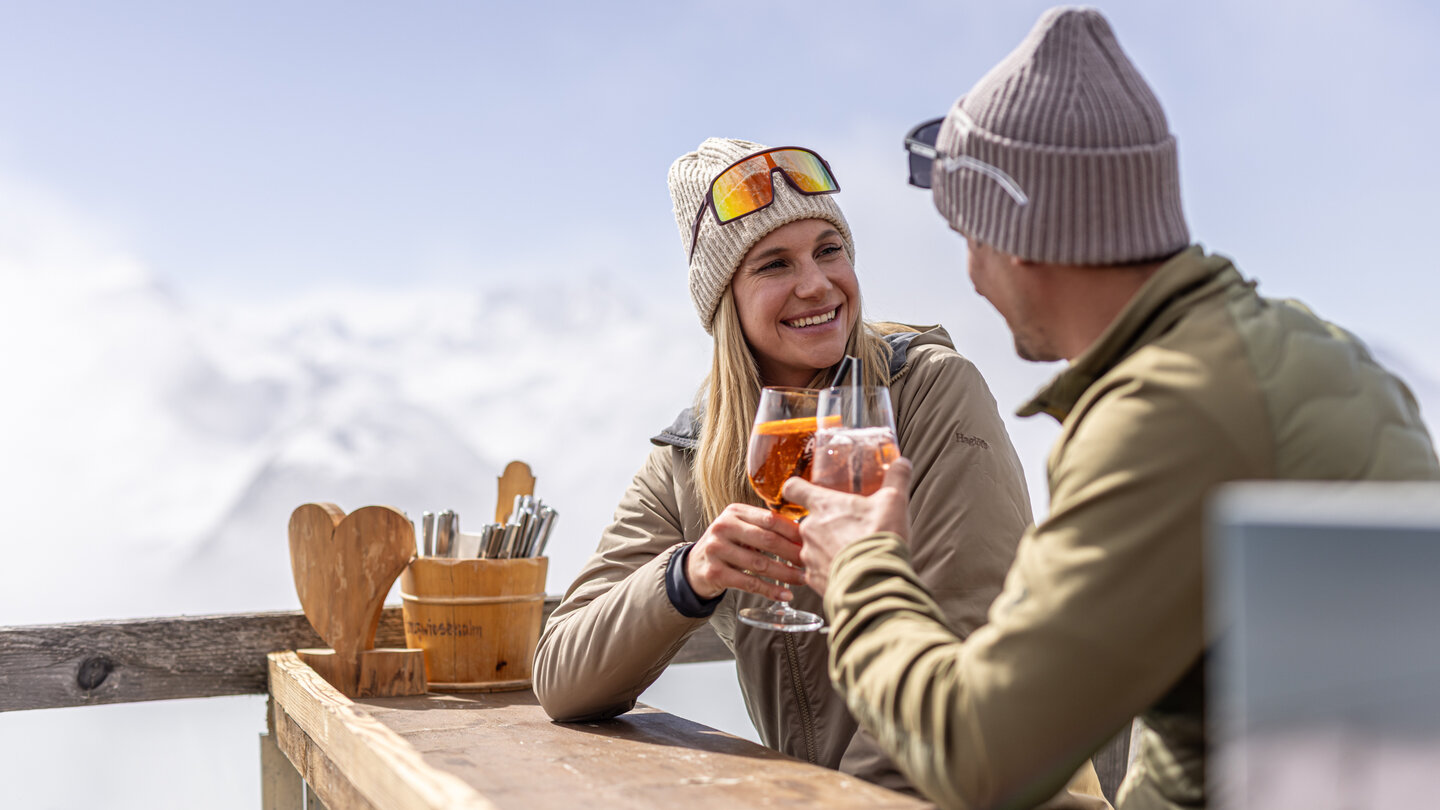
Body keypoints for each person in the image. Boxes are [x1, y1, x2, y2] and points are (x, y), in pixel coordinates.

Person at [782, 7, 1440, 810]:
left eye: (969, 238)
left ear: (1016, 236)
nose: (972, 277)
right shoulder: (1310, 346)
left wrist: (858, 564)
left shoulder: (1163, 412)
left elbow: (980, 756)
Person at [533, 137, 1108, 806]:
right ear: (724, 301)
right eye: (775, 264)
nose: (816, 283)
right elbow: (561, 677)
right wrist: (688, 578)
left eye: (829, 250)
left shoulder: (930, 392)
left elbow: (973, 656)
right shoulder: (691, 455)